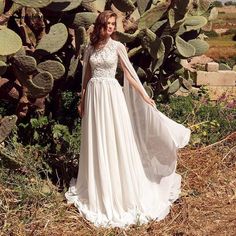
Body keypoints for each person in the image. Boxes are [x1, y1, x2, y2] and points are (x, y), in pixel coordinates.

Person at [65, 10, 191, 228]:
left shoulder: (118, 47)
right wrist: (82, 100)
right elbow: (86, 77)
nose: (112, 27)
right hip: (95, 97)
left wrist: (144, 96)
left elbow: (129, 74)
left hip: (112, 97)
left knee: (115, 139)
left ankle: (119, 187)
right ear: (100, 25)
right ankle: (99, 185)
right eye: (108, 23)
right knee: (98, 139)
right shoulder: (90, 48)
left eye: (114, 23)